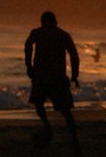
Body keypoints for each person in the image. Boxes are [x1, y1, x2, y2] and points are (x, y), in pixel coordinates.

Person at [24, 11, 82, 155]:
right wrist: (74, 75)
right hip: (55, 77)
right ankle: (73, 139)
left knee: (40, 105)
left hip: (43, 76)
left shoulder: (39, 33)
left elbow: (28, 46)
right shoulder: (62, 35)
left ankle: (48, 127)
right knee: (65, 111)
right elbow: (74, 55)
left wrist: (29, 66)